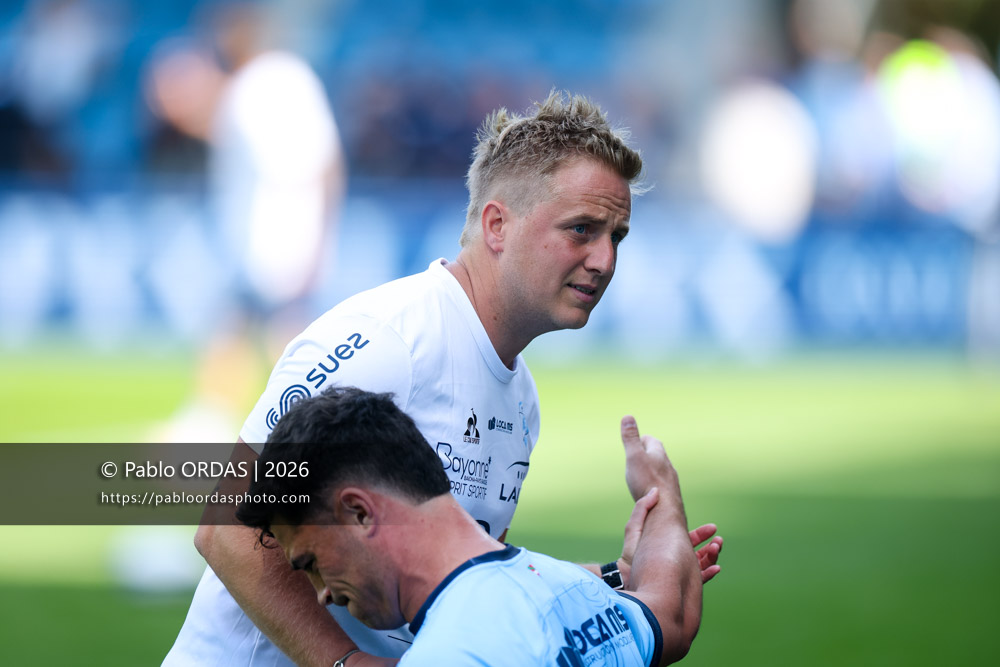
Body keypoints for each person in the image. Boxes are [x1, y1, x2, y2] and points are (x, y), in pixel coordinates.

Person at [164, 90, 722, 666]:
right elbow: (227, 525)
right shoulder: (385, 341)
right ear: (497, 225)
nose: (604, 260)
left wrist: (615, 575)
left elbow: (470, 578)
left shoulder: (521, 398)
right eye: (582, 229)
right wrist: (346, 663)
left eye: (616, 237)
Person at [236, 387, 704, 666]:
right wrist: (662, 494)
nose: (322, 593)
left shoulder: (451, 654)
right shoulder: (576, 592)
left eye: (312, 563)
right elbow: (672, 614)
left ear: (360, 512)